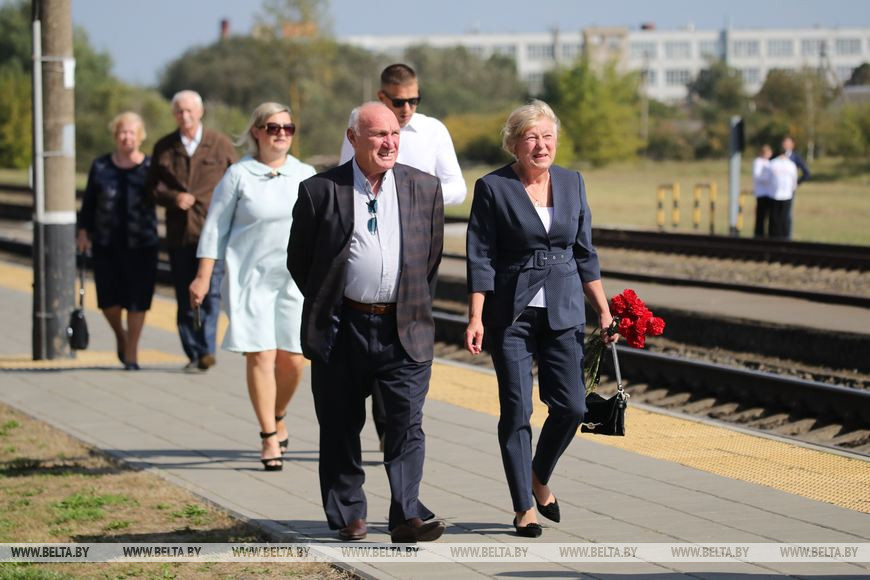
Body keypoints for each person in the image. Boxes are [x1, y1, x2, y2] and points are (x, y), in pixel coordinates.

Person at [288, 102, 445, 543]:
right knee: (339, 426)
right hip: (343, 328)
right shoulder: (320, 191)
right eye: (377, 135)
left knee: (406, 424)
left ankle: (407, 514)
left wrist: (405, 302)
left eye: (394, 134)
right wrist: (333, 305)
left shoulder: (424, 188)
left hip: (404, 327)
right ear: (353, 138)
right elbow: (300, 262)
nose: (389, 142)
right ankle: (348, 514)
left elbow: (428, 260)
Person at [464, 100, 617, 538]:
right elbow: (481, 256)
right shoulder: (492, 187)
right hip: (510, 314)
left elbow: (585, 253)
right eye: (531, 137)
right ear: (514, 144)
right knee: (517, 408)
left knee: (571, 406)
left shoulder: (573, 182)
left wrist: (603, 311)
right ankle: (523, 506)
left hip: (565, 309)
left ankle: (539, 475)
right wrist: (476, 316)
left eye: (547, 137)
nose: (541, 145)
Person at [340, 63, 467, 449]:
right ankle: (386, 423)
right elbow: (344, 179)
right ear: (382, 97)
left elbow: (458, 187)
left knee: (408, 333)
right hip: (372, 241)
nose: (408, 107)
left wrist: (417, 202)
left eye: (414, 99)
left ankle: (398, 423)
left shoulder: (432, 130)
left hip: (418, 243)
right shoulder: (362, 126)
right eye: (399, 101)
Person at [190, 102, 315, 472]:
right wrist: (202, 274)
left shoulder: (305, 174)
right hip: (249, 280)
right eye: (273, 127)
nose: (281, 134)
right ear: (257, 132)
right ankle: (267, 437)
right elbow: (214, 228)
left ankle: (277, 414)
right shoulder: (238, 175)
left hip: (295, 281)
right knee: (260, 354)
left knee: (293, 358)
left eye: (288, 128)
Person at [146, 90, 236, 372]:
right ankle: (194, 351)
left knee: (210, 294)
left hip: (213, 233)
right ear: (174, 115)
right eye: (179, 111)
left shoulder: (220, 145)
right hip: (180, 234)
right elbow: (150, 189)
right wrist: (173, 198)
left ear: (200, 112)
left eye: (189, 110)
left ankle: (207, 349)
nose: (184, 116)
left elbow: (239, 181)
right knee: (186, 296)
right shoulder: (163, 147)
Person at [76, 112, 158, 371]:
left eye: (132, 132)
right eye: (123, 132)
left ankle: (131, 353)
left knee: (137, 300)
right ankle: (121, 337)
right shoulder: (100, 166)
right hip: (106, 243)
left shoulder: (150, 167)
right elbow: (89, 202)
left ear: (140, 136)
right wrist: (83, 232)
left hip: (142, 244)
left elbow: (167, 193)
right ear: (115, 135)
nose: (127, 137)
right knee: (109, 302)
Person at [781, 136, 810, 239]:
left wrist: (796, 183)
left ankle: (787, 237)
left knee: (787, 215)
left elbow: (806, 173)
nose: (785, 145)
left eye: (787, 143)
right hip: (776, 190)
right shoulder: (777, 155)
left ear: (792, 145)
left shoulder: (795, 157)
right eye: (784, 142)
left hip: (788, 191)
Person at [768, 148, 799, 239]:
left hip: (775, 194)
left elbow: (768, 179)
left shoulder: (773, 163)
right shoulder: (791, 164)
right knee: (783, 218)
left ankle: (773, 237)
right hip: (785, 194)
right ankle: (784, 237)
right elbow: (794, 180)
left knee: (774, 218)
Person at [752, 144, 774, 237]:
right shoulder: (758, 162)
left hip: (769, 193)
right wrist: (769, 179)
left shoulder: (769, 162)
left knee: (769, 215)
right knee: (761, 215)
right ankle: (759, 234)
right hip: (762, 193)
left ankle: (767, 234)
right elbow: (757, 176)